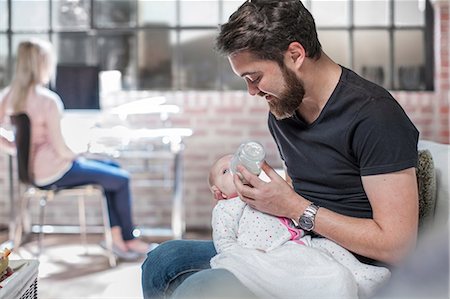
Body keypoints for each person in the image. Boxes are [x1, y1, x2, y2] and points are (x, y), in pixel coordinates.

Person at [142, 0, 419, 297]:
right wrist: (251, 204)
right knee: (162, 261)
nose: (252, 92)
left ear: (295, 55)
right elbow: (298, 187)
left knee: (202, 288)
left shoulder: (374, 116)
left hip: (344, 265)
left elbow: (397, 245)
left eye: (255, 78)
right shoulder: (284, 111)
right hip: (290, 245)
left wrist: (292, 207)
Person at [0, 38, 154, 260]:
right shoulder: (48, 101)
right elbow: (62, 150)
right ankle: (129, 240)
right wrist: (83, 150)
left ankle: (117, 239)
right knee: (121, 179)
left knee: (110, 169)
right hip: (55, 171)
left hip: (34, 172)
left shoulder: (8, 95)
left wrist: (16, 149)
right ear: (42, 64)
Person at [209, 154, 389, 299]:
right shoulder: (226, 207)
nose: (234, 171)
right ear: (219, 193)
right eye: (225, 171)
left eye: (237, 163)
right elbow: (224, 242)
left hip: (303, 239)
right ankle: (340, 285)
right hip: (274, 252)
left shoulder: (263, 193)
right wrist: (249, 258)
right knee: (326, 272)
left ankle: (365, 278)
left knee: (332, 248)